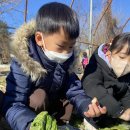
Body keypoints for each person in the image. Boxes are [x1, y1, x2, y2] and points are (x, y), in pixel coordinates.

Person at [2, 2, 107, 130]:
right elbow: (14, 102)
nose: (66, 53)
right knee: (38, 97)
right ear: (39, 39)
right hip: (31, 111)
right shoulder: (24, 62)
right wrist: (32, 126)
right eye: (61, 46)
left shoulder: (67, 63)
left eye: (70, 47)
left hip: (54, 106)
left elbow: (75, 92)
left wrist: (87, 106)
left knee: (70, 104)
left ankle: (59, 121)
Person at [82, 33, 130, 123]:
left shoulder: (127, 73)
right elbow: (92, 86)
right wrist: (119, 112)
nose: (126, 65)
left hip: (113, 111)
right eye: (122, 57)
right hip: (97, 109)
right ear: (109, 52)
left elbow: (125, 92)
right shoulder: (96, 63)